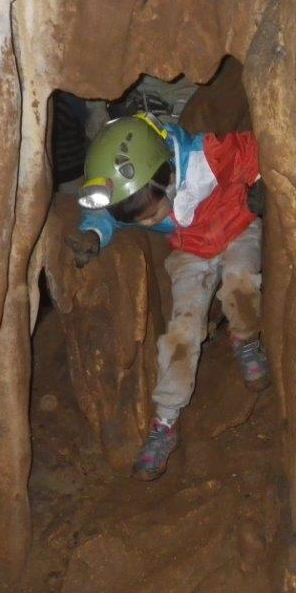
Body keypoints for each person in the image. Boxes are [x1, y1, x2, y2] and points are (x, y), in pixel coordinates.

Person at [65, 114, 270, 481]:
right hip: (191, 251)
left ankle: (245, 338)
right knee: (181, 335)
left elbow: (253, 151)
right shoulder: (141, 189)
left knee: (240, 285)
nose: (146, 224)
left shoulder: (205, 156)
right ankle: (165, 422)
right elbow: (105, 214)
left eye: (150, 216)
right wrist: (94, 234)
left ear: (168, 177)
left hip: (237, 228)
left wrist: (262, 182)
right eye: (139, 220)